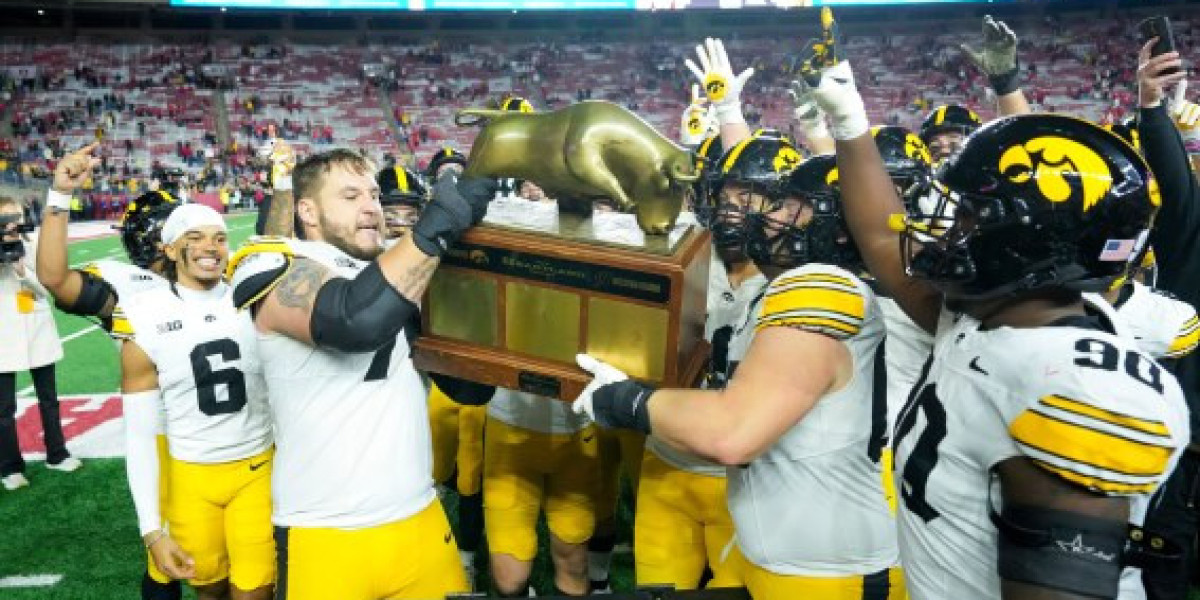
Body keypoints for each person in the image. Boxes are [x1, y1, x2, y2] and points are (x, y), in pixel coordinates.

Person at [802, 46, 1187, 597]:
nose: (943, 230)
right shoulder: (989, 315)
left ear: (1027, 244)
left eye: (966, 216)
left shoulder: (1081, 389)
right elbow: (884, 237)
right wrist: (849, 120)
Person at [574, 134, 904, 600]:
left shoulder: (819, 284)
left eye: (791, 208)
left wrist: (622, 400)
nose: (766, 217)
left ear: (838, 226)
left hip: (824, 573)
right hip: (793, 561)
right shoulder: (778, 291)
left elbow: (733, 433)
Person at [227, 149, 495, 600]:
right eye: (350, 195)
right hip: (327, 532)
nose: (372, 205)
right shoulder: (274, 262)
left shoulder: (389, 269)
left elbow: (468, 388)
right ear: (306, 210)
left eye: (373, 194)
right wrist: (442, 219)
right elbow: (353, 320)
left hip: (420, 516)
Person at [119, 204, 275, 600]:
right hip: (191, 474)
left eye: (220, 238)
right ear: (170, 250)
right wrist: (151, 529)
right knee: (210, 589)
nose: (211, 247)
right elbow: (139, 435)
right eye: (196, 238)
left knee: (255, 591)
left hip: (258, 465)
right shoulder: (143, 314)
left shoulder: (253, 297)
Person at [0, 196, 80, 492]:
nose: (12, 224)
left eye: (16, 216)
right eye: (6, 217)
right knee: (4, 408)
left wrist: (23, 272)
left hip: (36, 327)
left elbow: (48, 287)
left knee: (49, 398)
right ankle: (10, 466)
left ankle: (57, 453)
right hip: (4, 336)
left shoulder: (33, 245)